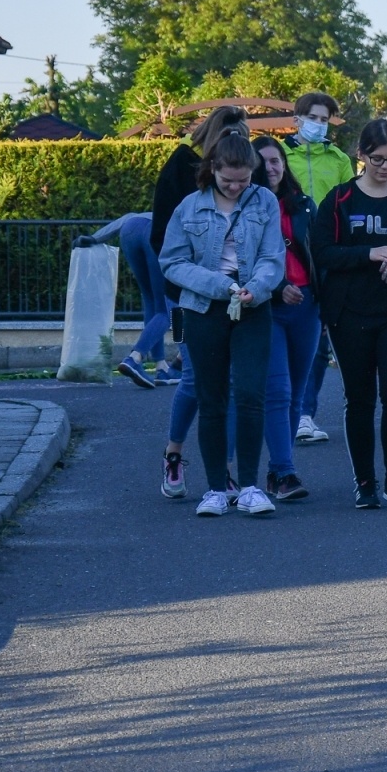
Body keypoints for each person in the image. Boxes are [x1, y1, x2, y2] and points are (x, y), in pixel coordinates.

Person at [159, 132, 286, 519]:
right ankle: (215, 489)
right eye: (228, 179)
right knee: (211, 399)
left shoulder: (264, 201)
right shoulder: (189, 207)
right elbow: (173, 262)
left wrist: (255, 287)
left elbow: (273, 256)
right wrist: (221, 285)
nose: (235, 187)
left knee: (250, 394)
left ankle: (248, 487)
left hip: (253, 305)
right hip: (203, 308)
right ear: (212, 169)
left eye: (243, 180)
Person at [310, 120, 387, 511]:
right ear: (360, 156)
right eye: (377, 159)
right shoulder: (340, 199)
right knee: (359, 398)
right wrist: (370, 252)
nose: (385, 167)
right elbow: (323, 252)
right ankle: (365, 481)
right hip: (349, 310)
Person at [149, 105, 254, 501]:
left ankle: (222, 468)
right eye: (231, 142)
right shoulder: (181, 168)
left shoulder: (245, 181)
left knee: (229, 382)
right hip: (186, 297)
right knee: (195, 376)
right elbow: (161, 239)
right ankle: (173, 454)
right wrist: (196, 280)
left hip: (237, 298)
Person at [283, 92, 356, 448]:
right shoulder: (279, 156)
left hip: (326, 256)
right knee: (288, 337)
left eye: (325, 119)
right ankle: (287, 410)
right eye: (313, 117)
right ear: (296, 119)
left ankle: (305, 415)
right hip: (288, 255)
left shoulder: (340, 159)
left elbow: (348, 207)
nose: (319, 124)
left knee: (318, 339)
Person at [253, 136, 320, 503]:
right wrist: (279, 287)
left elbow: (318, 252)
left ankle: (281, 469)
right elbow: (246, 260)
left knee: (296, 391)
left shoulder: (304, 205)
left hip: (307, 305)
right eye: (263, 162)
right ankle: (283, 470)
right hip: (268, 306)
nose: (272, 168)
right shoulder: (247, 207)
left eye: (277, 160)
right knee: (276, 391)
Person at [76, 212, 175, 388]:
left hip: (130, 230)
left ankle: (161, 367)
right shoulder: (194, 209)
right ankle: (135, 358)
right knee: (167, 310)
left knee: (151, 302)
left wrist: (94, 238)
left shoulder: (147, 212)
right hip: (157, 234)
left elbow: (125, 219)